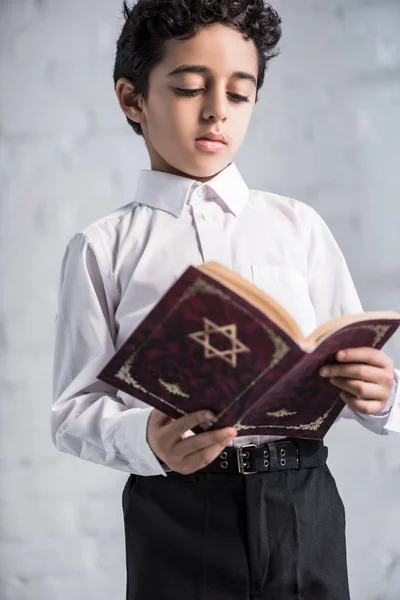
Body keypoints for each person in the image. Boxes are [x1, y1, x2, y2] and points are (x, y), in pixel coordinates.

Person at [51, 1, 400, 598]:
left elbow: (349, 360)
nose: (216, 111)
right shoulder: (102, 247)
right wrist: (147, 441)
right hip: (177, 509)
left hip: (301, 501)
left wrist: (380, 395)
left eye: (240, 95)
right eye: (189, 87)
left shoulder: (298, 226)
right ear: (133, 100)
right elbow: (73, 410)